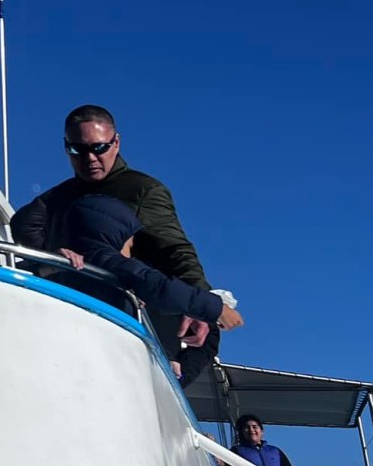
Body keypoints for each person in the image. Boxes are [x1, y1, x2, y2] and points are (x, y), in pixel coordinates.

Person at [13, 105, 216, 348]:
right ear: (66, 148)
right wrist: (51, 259)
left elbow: (174, 249)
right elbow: (23, 229)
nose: (89, 158)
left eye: (99, 148)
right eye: (77, 149)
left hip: (122, 320)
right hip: (63, 315)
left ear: (116, 143)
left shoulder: (142, 190)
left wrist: (199, 301)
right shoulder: (57, 198)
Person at [61, 195, 244, 332]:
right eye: (129, 244)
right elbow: (157, 285)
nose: (130, 253)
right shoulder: (106, 262)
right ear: (115, 236)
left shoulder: (64, 267)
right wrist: (215, 308)